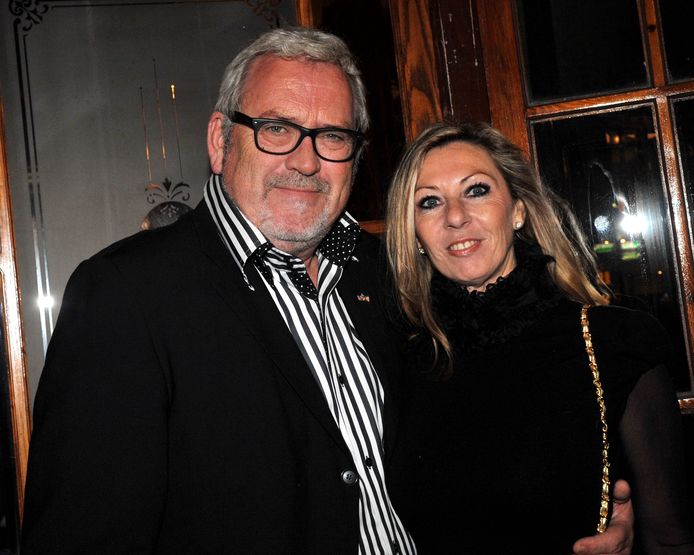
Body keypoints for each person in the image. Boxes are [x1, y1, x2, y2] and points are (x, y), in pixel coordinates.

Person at [20, 28, 635, 554]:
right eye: (276, 128)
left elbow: (499, 412)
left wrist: (582, 511)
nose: (306, 161)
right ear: (219, 140)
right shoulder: (126, 296)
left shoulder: (389, 273)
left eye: (332, 136)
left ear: (356, 157)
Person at [385, 121, 694, 554]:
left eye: (476, 190)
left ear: (518, 210)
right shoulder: (404, 358)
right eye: (430, 202)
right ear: (414, 232)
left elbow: (670, 538)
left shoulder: (615, 342)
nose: (455, 217)